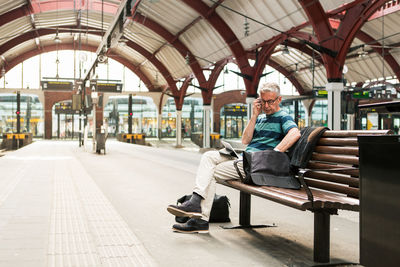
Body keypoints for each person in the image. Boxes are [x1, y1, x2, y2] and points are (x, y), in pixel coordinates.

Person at [167, 82, 301, 233]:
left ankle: (200, 219)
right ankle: (196, 203)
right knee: (208, 156)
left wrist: (273, 153)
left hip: (258, 166)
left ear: (279, 99)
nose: (266, 105)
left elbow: (295, 133)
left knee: (210, 172)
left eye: (270, 101)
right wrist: (254, 116)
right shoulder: (261, 118)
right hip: (246, 159)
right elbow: (245, 140)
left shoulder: (283, 117)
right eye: (263, 101)